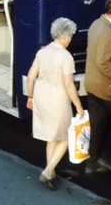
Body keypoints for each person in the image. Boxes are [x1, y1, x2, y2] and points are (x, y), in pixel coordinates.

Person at [26, 17, 84, 191]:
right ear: (65, 36)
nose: (71, 39)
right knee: (66, 138)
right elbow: (68, 84)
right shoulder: (65, 56)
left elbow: (30, 77)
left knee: (51, 137)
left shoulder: (42, 52)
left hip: (41, 97)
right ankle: (47, 171)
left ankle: (51, 174)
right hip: (58, 99)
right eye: (71, 36)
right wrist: (79, 106)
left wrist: (30, 96)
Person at [84, 0, 111, 176]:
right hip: (105, 88)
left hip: (92, 85)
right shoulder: (108, 33)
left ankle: (91, 163)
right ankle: (107, 158)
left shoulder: (95, 24)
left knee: (98, 125)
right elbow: (103, 62)